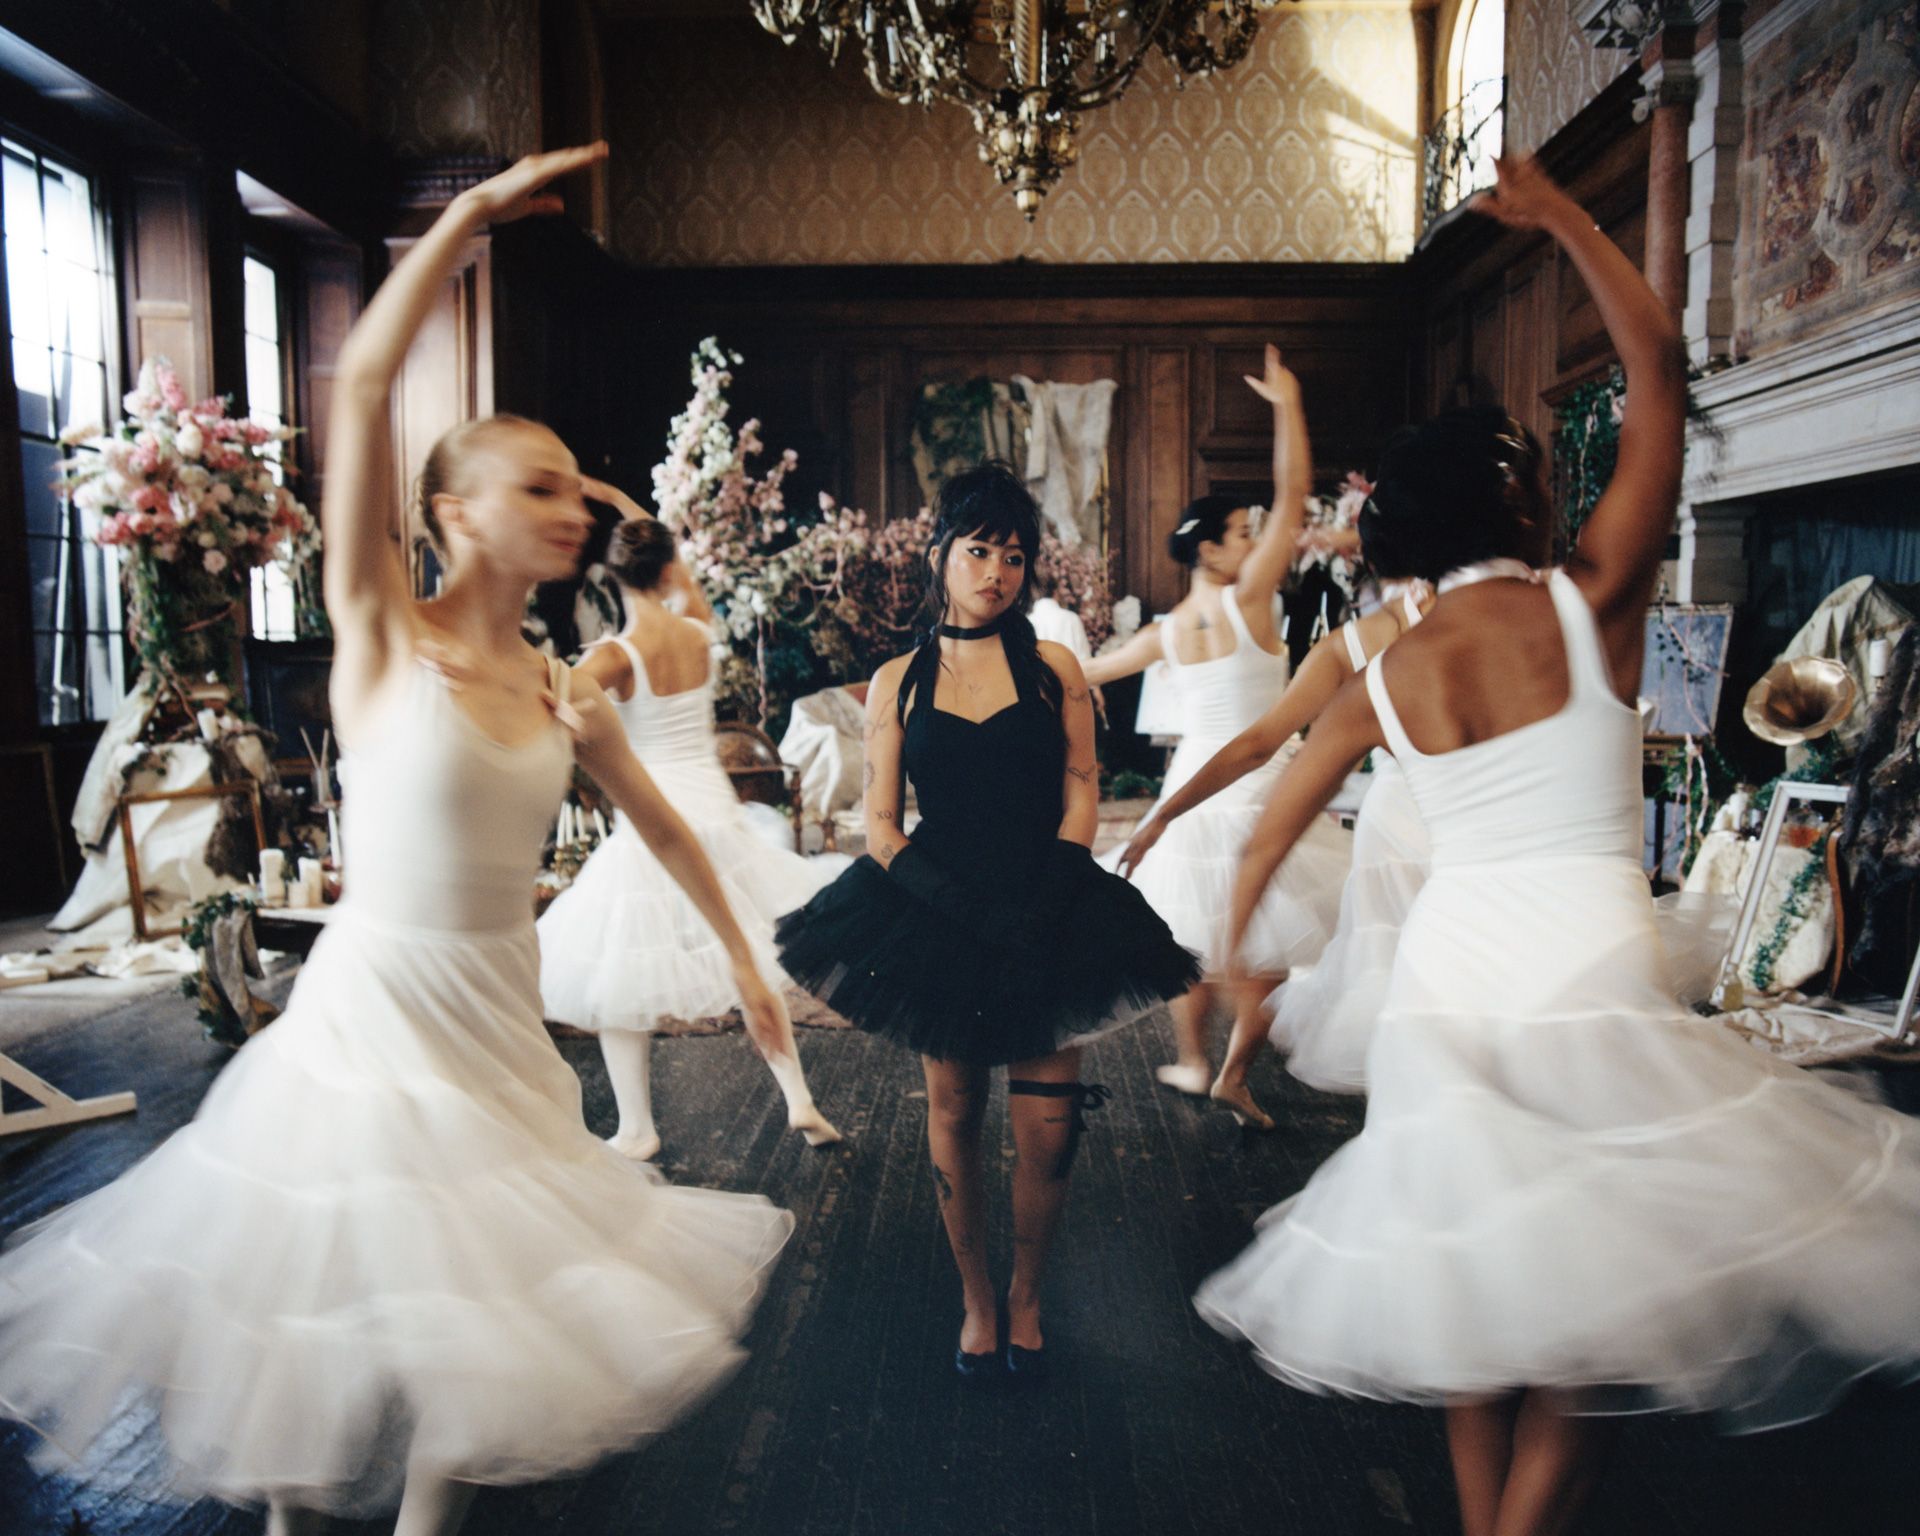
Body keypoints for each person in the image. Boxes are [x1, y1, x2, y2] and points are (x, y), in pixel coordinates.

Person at [0, 147, 794, 1536]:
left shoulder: (562, 689)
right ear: (451, 513)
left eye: (575, 489)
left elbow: (668, 830)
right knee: (324, 1306)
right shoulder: (380, 636)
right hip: (370, 1026)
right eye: (538, 486)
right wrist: (468, 218)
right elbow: (363, 383)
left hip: (496, 1029)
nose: (573, 508)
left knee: (474, 1321)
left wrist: (746, 962)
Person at [1194, 156, 1920, 1536]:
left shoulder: (1381, 675)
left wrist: (1236, 963)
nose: (1548, 481)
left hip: (1447, 986)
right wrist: (1565, 219)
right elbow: (1657, 370)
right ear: (1518, 508)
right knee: (1599, 1304)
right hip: (1583, 968)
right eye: (1534, 472)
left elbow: (1268, 828)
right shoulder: (1593, 602)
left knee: (1476, 1283)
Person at [775, 462, 1199, 1381]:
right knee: (957, 1109)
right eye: (978, 551)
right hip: (939, 910)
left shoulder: (1053, 669)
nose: (997, 572)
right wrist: (961, 909)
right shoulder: (897, 680)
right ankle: (976, 1299)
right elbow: (880, 827)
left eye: (1013, 556)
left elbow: (1081, 790)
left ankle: (1027, 1295)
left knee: (1047, 1128)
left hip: (1049, 903)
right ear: (939, 555)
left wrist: (1050, 894)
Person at [1086, 346, 1351, 1128]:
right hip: (1260, 774)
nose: (1254, 541)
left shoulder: (1166, 631)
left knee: (1193, 936)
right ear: (1209, 548)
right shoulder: (1251, 599)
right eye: (1242, 533)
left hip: (1194, 783)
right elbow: (1294, 492)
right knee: (1262, 941)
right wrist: (1288, 405)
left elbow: (1087, 670)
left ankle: (1194, 1061)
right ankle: (1231, 1070)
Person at [538, 490, 842, 1160]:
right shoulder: (698, 631)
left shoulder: (618, 656)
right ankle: (799, 1098)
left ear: (611, 577)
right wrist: (624, 505)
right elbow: (687, 584)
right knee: (747, 957)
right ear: (670, 569)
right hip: (716, 814)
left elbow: (555, 694)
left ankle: (636, 1128)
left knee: (617, 974)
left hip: (657, 825)